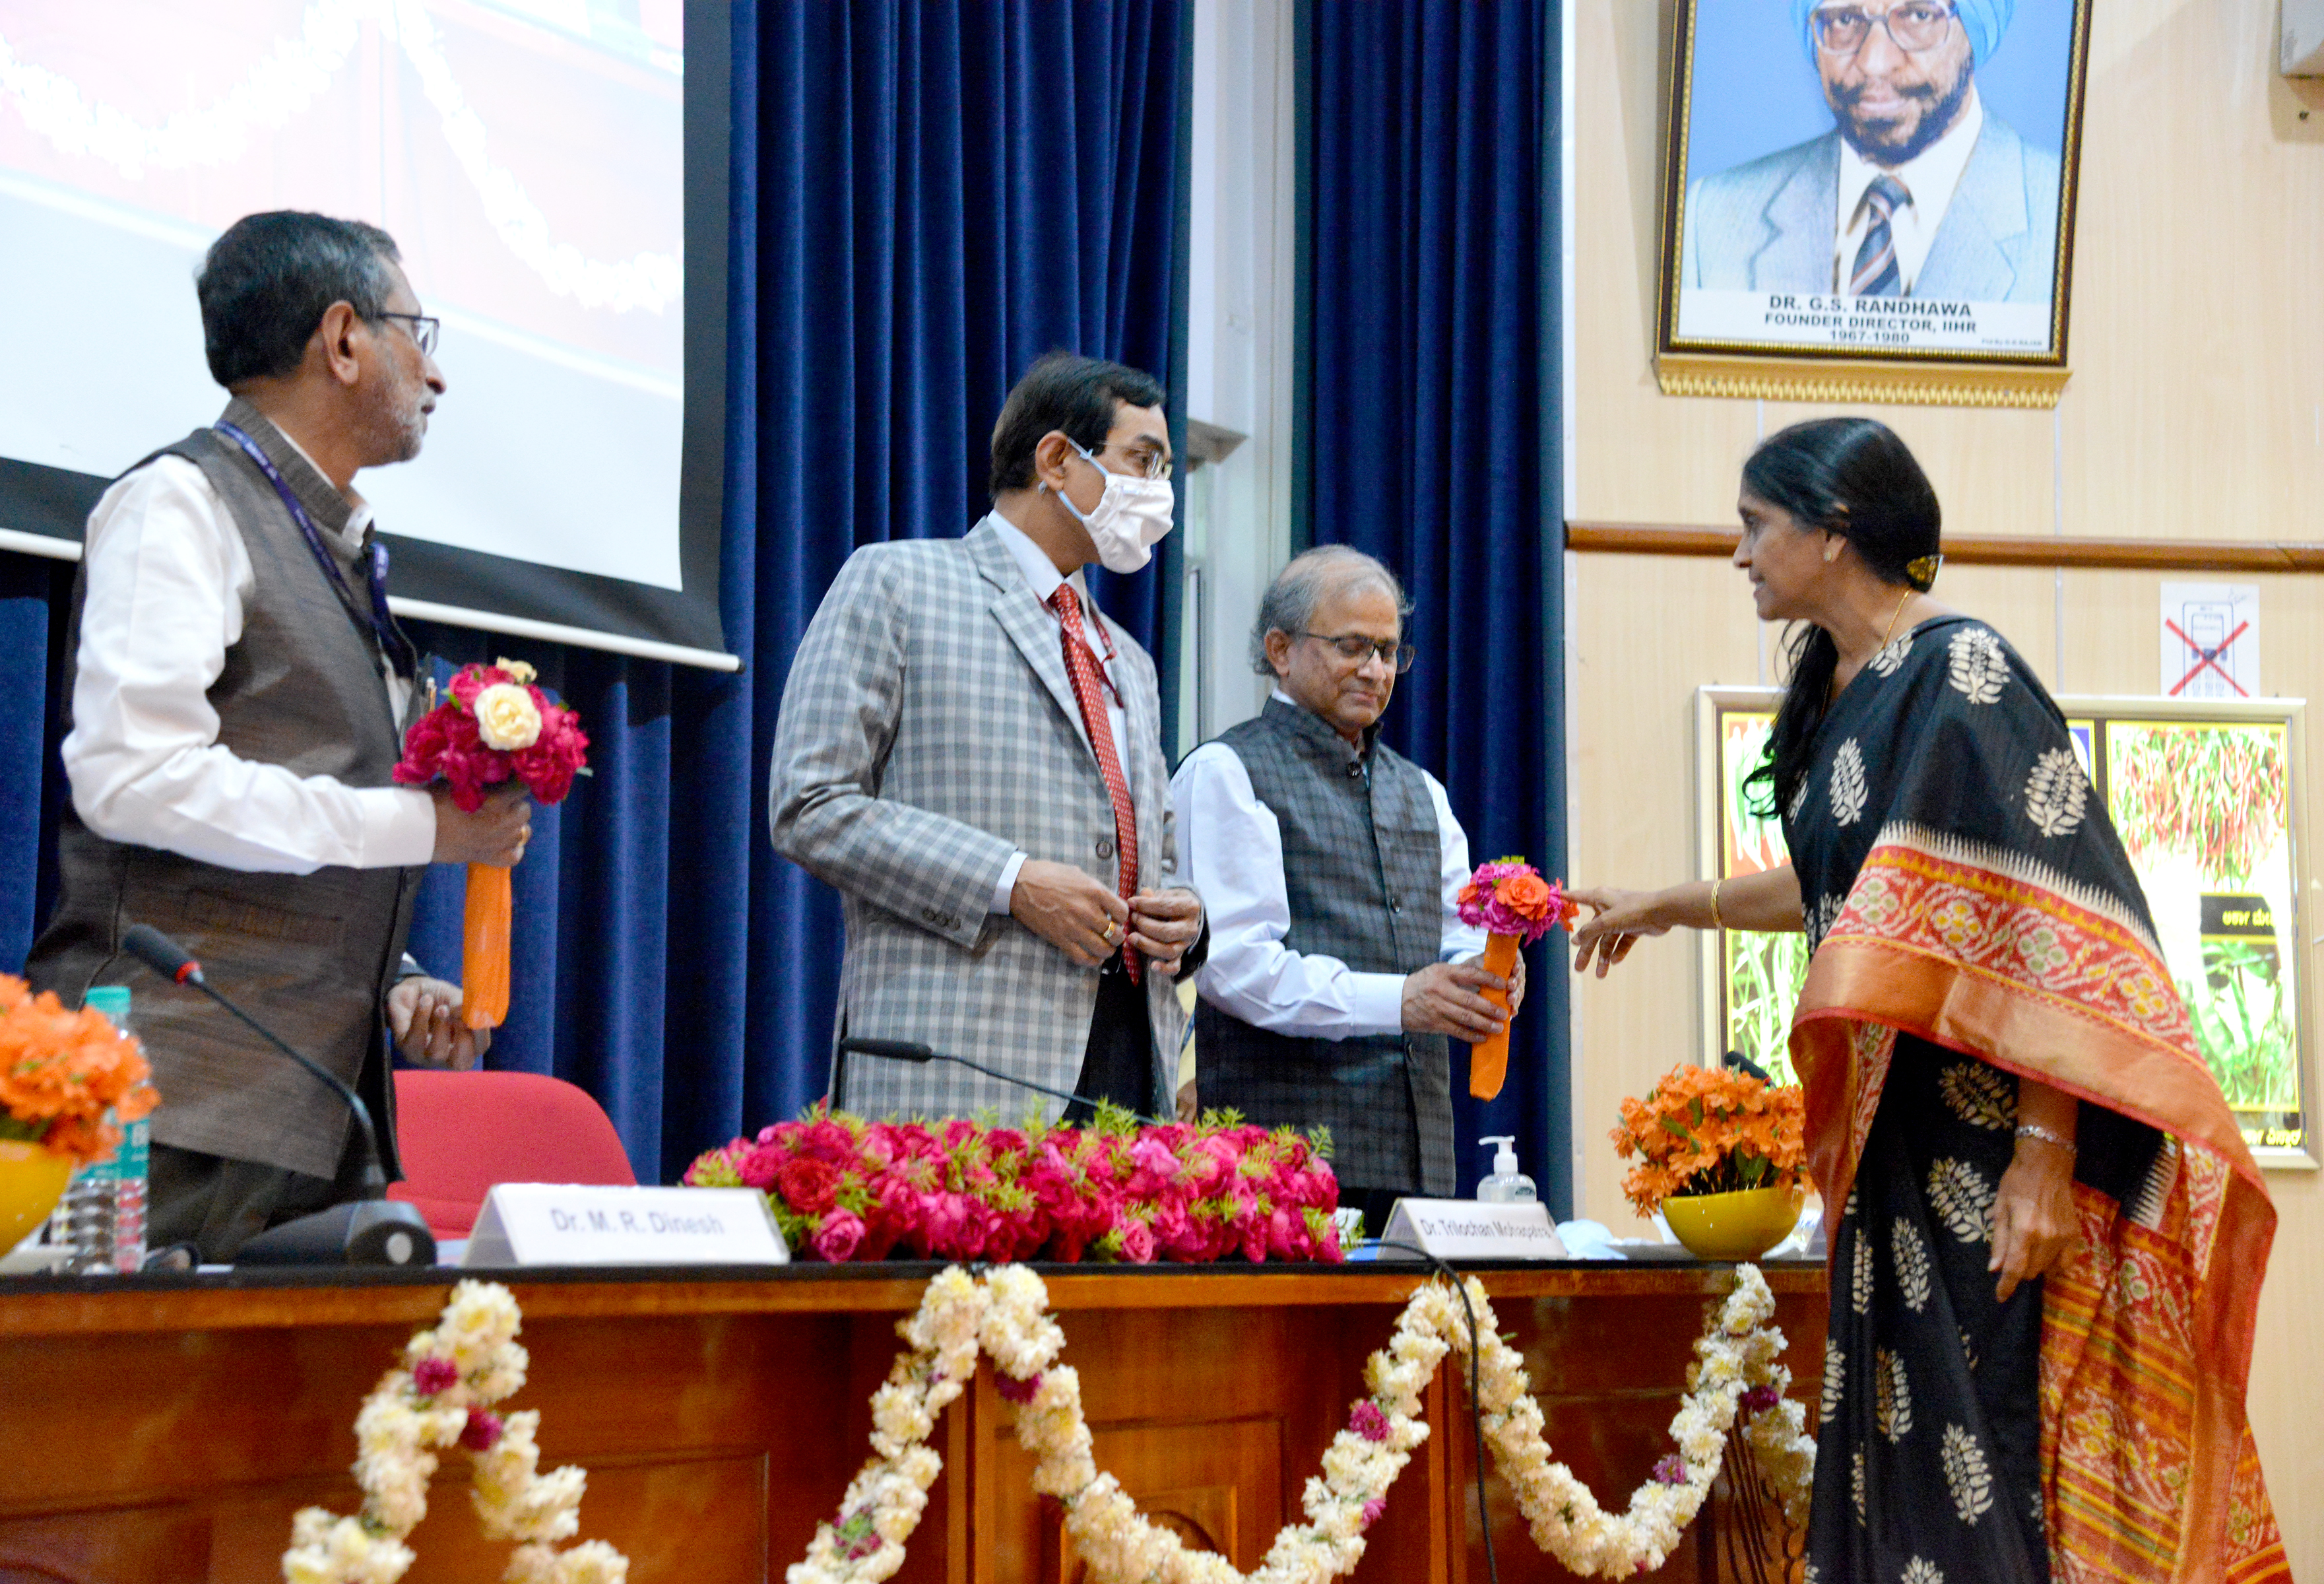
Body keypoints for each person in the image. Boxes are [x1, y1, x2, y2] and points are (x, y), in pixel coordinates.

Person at [1563, 418, 2287, 1581]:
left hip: (1990, 1146)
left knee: (1989, 1452)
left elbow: (2055, 920)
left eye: (1754, 525)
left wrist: (2044, 1157)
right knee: (1897, 1471)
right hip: (1896, 1138)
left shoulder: (1965, 673)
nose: (1738, 554)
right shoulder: (1844, 687)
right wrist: (1668, 905)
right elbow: (1845, 889)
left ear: (1833, 531)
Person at [26, 212, 530, 1263]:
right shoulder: (180, 504)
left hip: (315, 1117)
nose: (436, 375)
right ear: (342, 340)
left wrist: (394, 975)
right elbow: (134, 779)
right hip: (164, 1109)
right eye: (417, 334)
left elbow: (290, 787)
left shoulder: (335, 542)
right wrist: (423, 829)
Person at [769, 351, 1206, 1123]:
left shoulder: (1129, 660)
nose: (1159, 492)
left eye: (1166, 470)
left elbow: (1156, 852)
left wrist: (1183, 918)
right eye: (1143, 461)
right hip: (963, 1066)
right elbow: (810, 804)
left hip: (1129, 1065)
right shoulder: (899, 584)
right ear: (1057, 460)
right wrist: (1012, 881)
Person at [1173, 547, 1520, 1234]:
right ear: (1280, 650)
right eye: (1353, 647)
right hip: (1275, 1165)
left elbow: (1459, 938)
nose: (1376, 671)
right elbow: (1235, 970)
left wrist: (1489, 975)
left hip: (1421, 1160)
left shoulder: (1423, 791)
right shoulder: (1227, 771)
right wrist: (1403, 999)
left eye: (1389, 651)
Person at [1680, 0, 2059, 302]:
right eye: (1844, 20)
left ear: (1974, 32)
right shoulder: (1711, 219)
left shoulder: (2065, 216)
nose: (1874, 62)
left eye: (1918, 15)